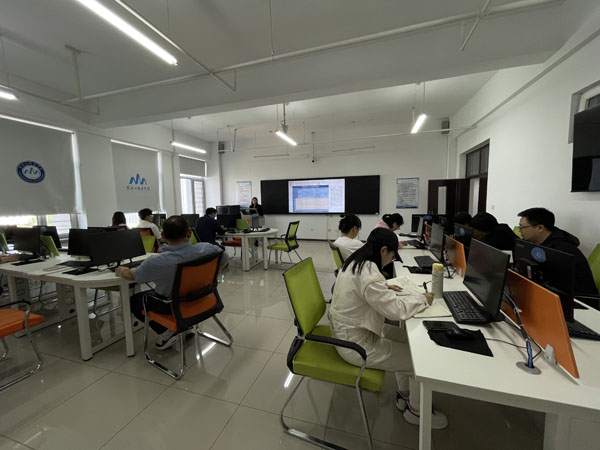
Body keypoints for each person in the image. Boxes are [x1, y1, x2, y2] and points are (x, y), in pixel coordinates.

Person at [329, 228, 448, 429]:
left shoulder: (357, 261)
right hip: (354, 344)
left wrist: (384, 286)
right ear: (384, 250)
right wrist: (422, 299)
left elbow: (364, 287)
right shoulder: (369, 275)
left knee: (408, 340)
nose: (391, 260)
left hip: (354, 329)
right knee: (417, 362)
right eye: (392, 256)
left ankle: (405, 395)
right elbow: (396, 311)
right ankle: (416, 412)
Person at [116, 215, 228, 350]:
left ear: (163, 236)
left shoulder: (156, 262)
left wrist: (122, 270)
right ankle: (186, 326)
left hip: (174, 306)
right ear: (189, 233)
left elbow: (133, 276)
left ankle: (167, 332)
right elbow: (225, 258)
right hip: (204, 299)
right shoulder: (208, 248)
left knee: (135, 300)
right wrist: (213, 276)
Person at [518, 207, 598, 305]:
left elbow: (557, 284)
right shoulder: (534, 244)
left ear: (540, 228)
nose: (520, 230)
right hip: (553, 295)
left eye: (522, 227)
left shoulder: (562, 250)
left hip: (578, 302)